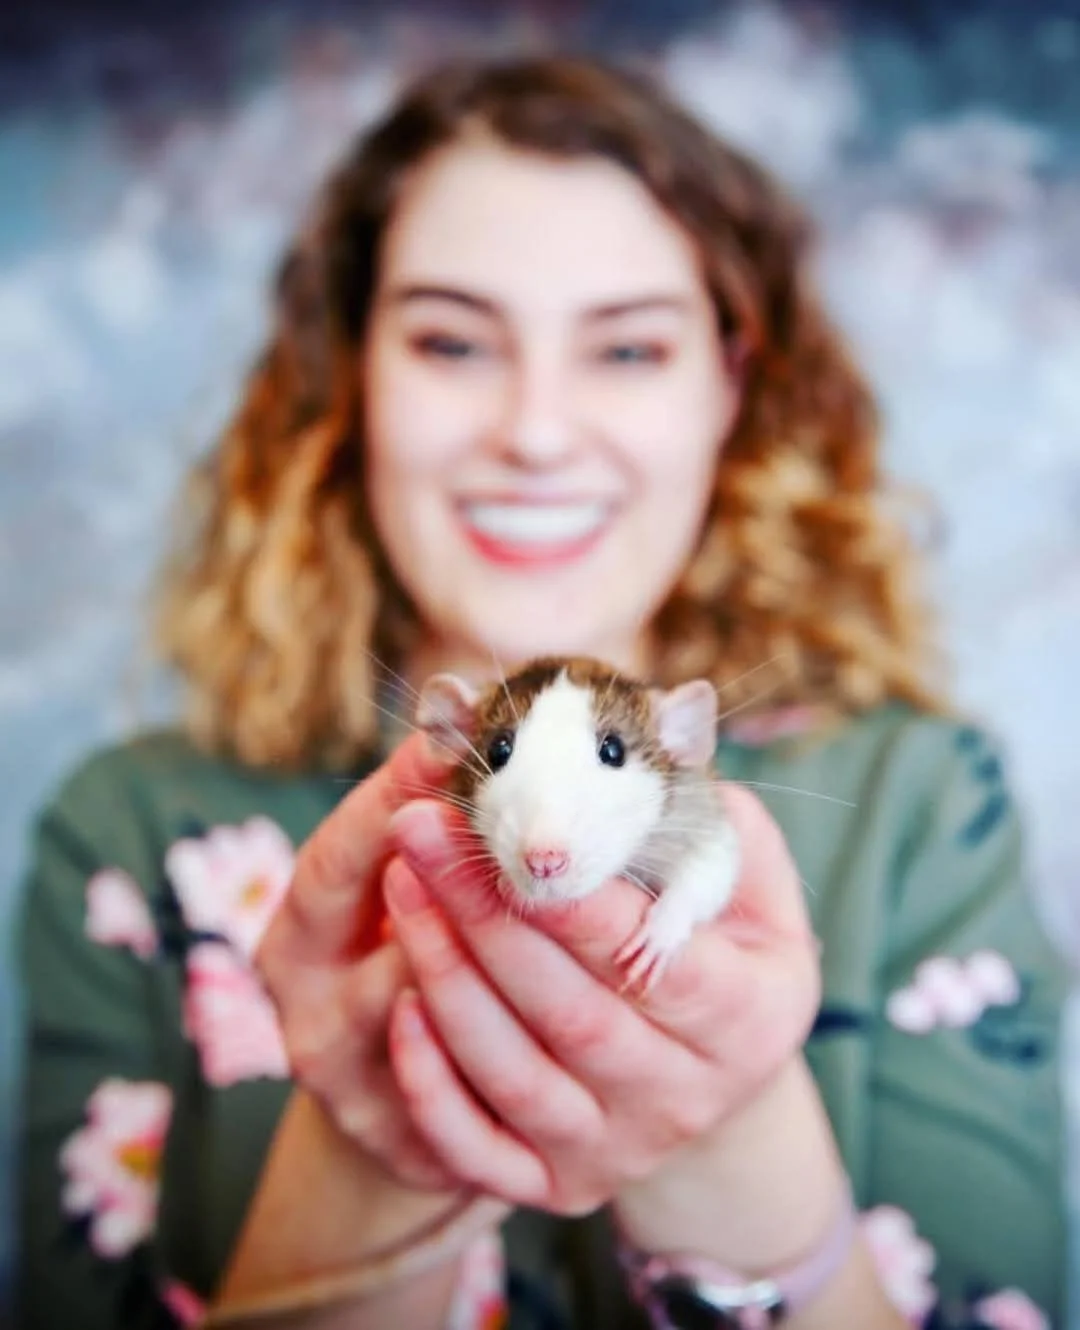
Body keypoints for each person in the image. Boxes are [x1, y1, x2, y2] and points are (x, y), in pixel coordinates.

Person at [13, 53, 1069, 1330]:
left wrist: (733, 1146)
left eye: (628, 346)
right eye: (453, 340)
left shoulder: (922, 806)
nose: (537, 431)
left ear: (725, 389)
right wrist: (367, 1157)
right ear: (354, 376)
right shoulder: (133, 828)